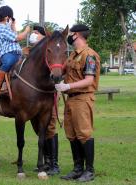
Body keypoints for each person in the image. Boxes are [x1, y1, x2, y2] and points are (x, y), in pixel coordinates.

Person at [55, 24, 100, 182]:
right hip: (71, 100)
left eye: (72, 33)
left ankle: (89, 170)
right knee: (71, 134)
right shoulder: (72, 55)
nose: (70, 36)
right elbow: (61, 70)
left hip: (83, 98)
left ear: (78, 35)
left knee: (84, 133)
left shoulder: (89, 55)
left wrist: (68, 86)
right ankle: (77, 168)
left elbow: (89, 80)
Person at [25, 25, 60, 176]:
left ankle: (53, 164)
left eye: (36, 33)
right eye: (32, 33)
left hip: (48, 96)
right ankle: (46, 162)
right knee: (40, 129)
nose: (33, 36)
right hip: (36, 98)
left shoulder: (50, 51)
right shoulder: (35, 53)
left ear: (43, 37)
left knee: (49, 128)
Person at [0, 5, 30, 98]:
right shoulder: (2, 28)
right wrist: (26, 31)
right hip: (8, 54)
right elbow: (18, 37)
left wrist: (13, 25)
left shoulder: (7, 28)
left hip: (17, 53)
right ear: (7, 18)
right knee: (8, 62)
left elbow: (15, 34)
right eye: (10, 18)